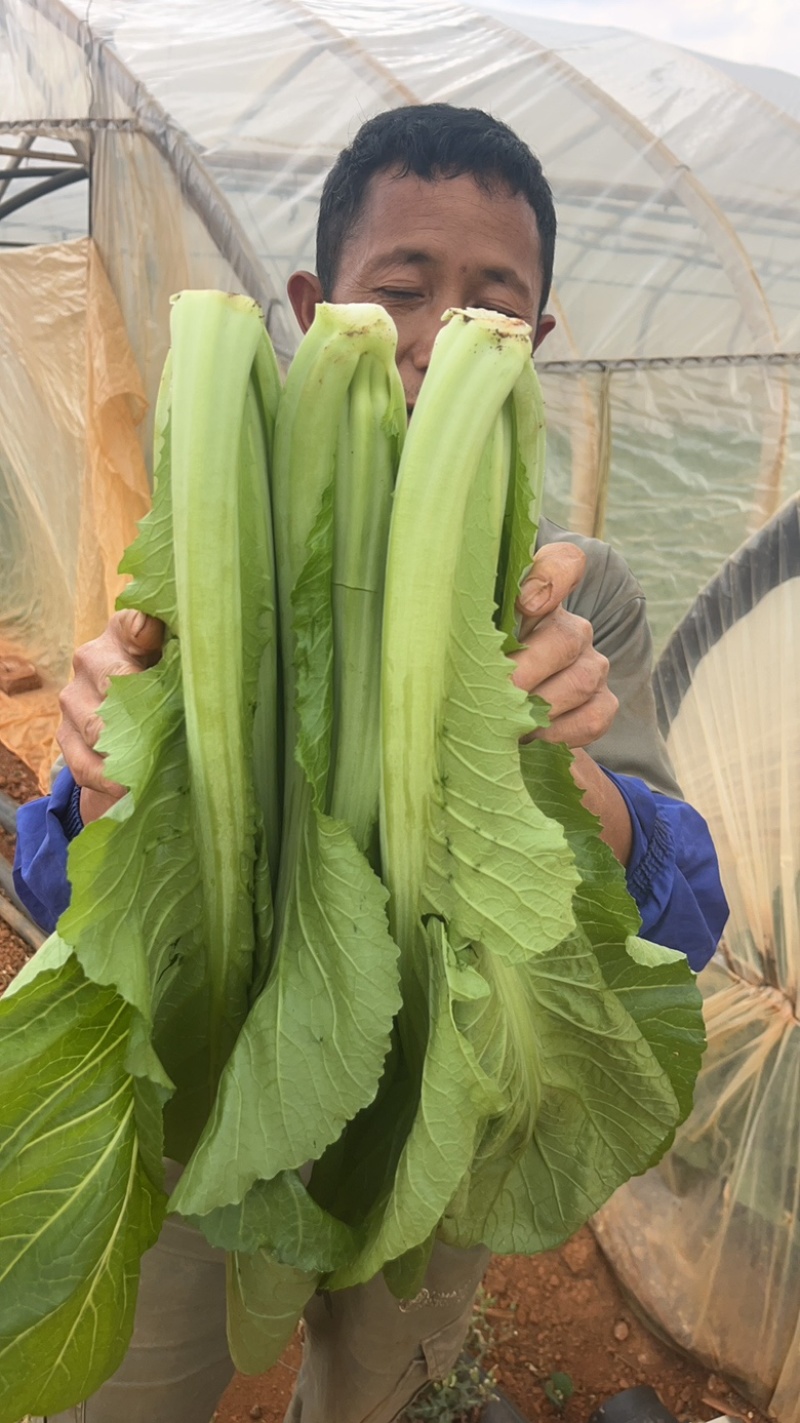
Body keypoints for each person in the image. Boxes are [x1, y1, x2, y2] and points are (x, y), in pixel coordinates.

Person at [14, 105, 727, 1423]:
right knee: (132, 1387)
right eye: (402, 292)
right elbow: (62, 892)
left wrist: (546, 775)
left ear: (538, 345)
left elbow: (684, 908)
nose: (441, 336)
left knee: (376, 1389)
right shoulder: (221, 560)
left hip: (439, 1116)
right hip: (211, 1092)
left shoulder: (574, 596)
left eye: (492, 305)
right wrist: (108, 788)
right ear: (311, 304)